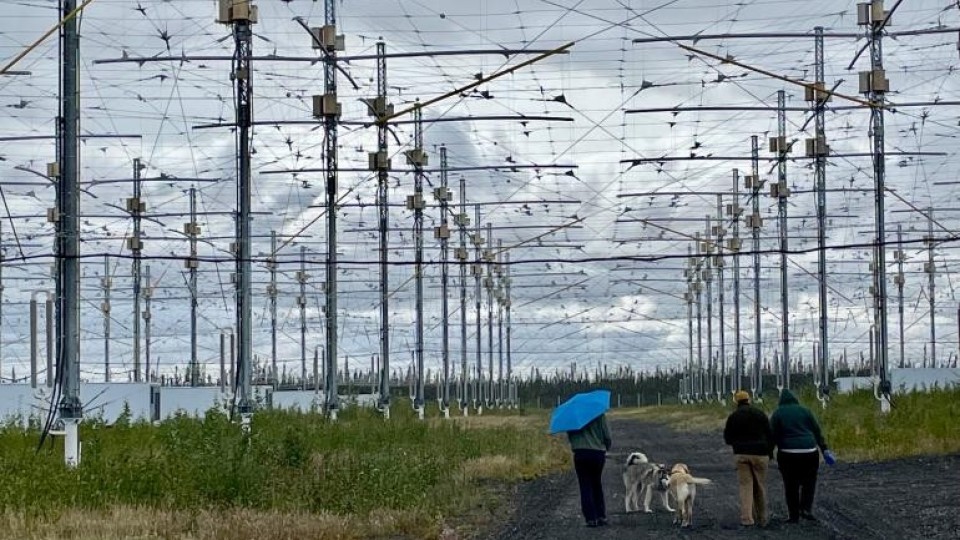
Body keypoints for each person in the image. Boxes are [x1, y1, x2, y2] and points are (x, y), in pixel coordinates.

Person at [770, 388, 829, 523]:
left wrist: (769, 452)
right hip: (809, 451)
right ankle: (806, 508)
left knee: (791, 485)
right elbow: (816, 430)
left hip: (788, 453)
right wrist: (824, 449)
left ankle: (794, 515)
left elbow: (772, 434)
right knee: (809, 481)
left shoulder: (778, 413)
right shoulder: (805, 411)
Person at [723, 390, 774, 527]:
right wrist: (770, 453)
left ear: (736, 402)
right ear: (749, 400)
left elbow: (727, 438)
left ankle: (747, 519)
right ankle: (762, 518)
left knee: (746, 486)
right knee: (760, 486)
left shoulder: (733, 417)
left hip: (742, 455)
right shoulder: (760, 414)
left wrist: (737, 444)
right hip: (761, 454)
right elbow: (770, 434)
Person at [567, 413, 612, 527]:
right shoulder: (599, 414)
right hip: (597, 453)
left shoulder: (573, 415)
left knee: (585, 485)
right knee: (596, 483)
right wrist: (606, 446)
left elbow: (570, 435)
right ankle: (601, 515)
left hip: (580, 453)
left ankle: (591, 518)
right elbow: (607, 435)